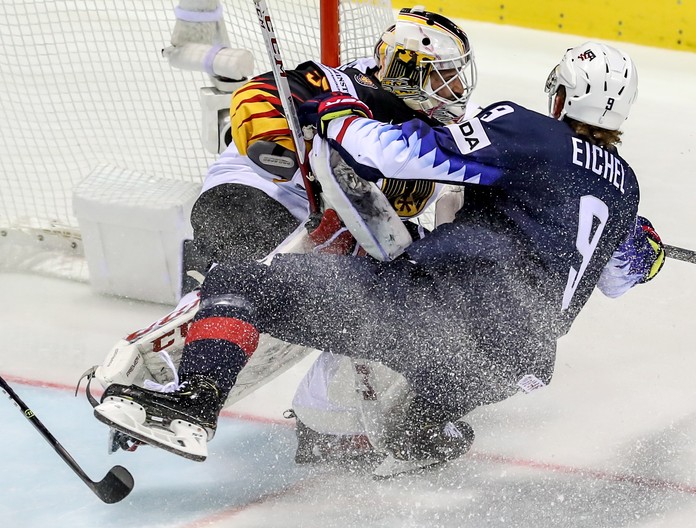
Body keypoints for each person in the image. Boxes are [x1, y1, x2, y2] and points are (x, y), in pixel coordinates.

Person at [94, 41, 665, 468]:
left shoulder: (529, 130)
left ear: (560, 96)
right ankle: (415, 432)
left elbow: (396, 155)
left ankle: (189, 407)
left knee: (245, 280)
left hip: (441, 318)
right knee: (430, 391)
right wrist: (650, 250)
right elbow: (618, 278)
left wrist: (335, 106)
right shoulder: (625, 191)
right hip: (517, 366)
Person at [182, 6, 477, 290]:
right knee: (245, 270)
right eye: (446, 76)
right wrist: (297, 161)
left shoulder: (435, 126)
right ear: (408, 71)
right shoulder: (340, 85)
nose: (459, 89)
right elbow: (255, 98)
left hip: (321, 227)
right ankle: (219, 290)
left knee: (413, 274)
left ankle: (228, 288)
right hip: (254, 193)